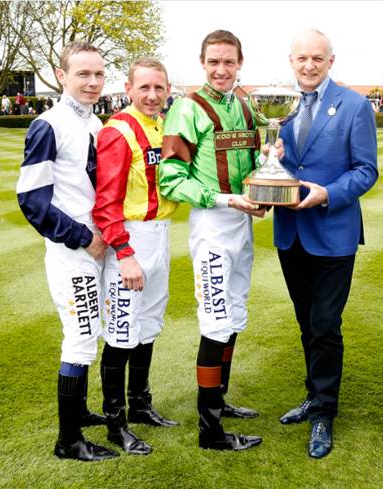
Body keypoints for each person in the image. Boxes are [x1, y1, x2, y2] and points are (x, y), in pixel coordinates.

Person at [160, 29, 265, 452]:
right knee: (216, 319)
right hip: (212, 224)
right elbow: (170, 179)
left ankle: (219, 400)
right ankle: (211, 431)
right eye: (214, 62)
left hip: (242, 221)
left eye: (229, 62)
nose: (222, 70)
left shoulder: (245, 105)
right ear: (202, 63)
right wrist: (226, 198)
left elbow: (257, 160)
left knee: (235, 315)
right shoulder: (187, 108)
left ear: (240, 63)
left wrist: (262, 186)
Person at [275, 29, 378, 459]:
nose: (309, 65)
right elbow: (280, 163)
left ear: (330, 61)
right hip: (290, 232)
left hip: (333, 233)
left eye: (317, 58)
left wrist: (327, 194)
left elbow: (366, 170)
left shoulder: (354, 105)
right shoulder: (280, 104)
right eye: (302, 58)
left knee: (324, 324)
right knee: (306, 322)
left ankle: (323, 413)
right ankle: (313, 396)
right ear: (291, 61)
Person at [16, 41, 117, 462]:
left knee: (91, 331)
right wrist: (81, 237)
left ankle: (79, 412)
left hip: (95, 246)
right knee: (79, 338)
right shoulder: (48, 125)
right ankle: (68, 441)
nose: (93, 82)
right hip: (73, 249)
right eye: (83, 74)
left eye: (98, 74)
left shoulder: (94, 123)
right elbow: (32, 200)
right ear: (62, 76)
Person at [93, 57, 180, 456]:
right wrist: (124, 253)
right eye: (144, 87)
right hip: (131, 240)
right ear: (128, 89)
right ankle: (116, 423)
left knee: (147, 326)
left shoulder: (163, 126)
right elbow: (106, 201)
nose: (152, 95)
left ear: (168, 89)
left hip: (160, 235)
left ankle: (141, 405)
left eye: (159, 87)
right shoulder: (118, 130)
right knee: (121, 332)